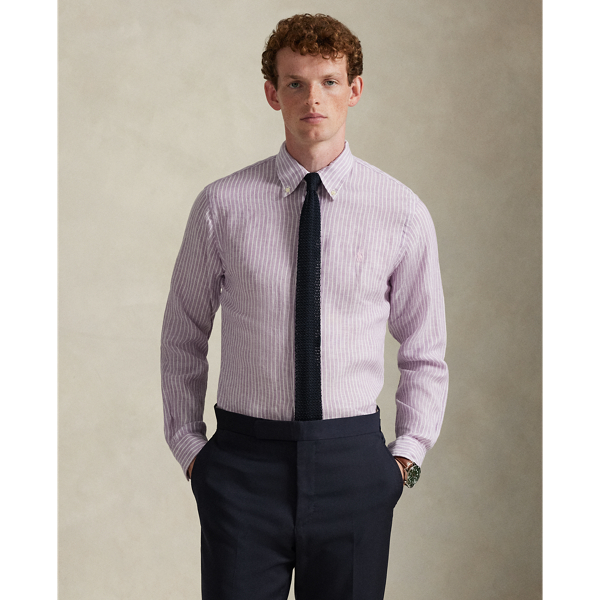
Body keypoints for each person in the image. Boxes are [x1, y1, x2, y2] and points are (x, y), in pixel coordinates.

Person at [161, 13, 448, 600]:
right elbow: (182, 335)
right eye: (295, 83)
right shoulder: (222, 206)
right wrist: (192, 451)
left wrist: (405, 459)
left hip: (355, 469)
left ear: (354, 89)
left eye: (329, 82)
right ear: (273, 93)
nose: (313, 99)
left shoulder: (401, 212)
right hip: (242, 468)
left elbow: (425, 348)